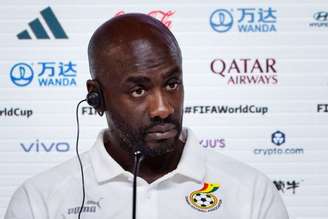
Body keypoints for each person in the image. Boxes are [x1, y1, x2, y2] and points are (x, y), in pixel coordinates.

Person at [5, 13, 289, 219]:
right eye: (139, 90)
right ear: (96, 96)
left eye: (171, 84)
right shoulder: (39, 201)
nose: (162, 108)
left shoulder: (250, 192)